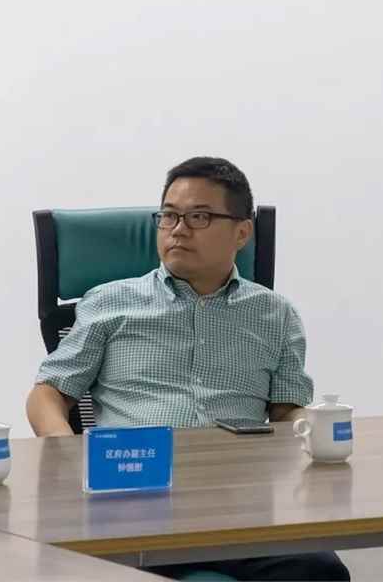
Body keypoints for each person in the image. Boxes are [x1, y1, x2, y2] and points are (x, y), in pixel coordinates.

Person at [26, 157, 349, 581]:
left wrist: (317, 429)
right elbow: (48, 392)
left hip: (238, 504)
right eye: (169, 216)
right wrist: (68, 450)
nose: (178, 229)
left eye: (199, 217)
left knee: (319, 570)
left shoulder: (276, 314)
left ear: (242, 232)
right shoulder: (109, 302)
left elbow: (287, 410)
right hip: (132, 499)